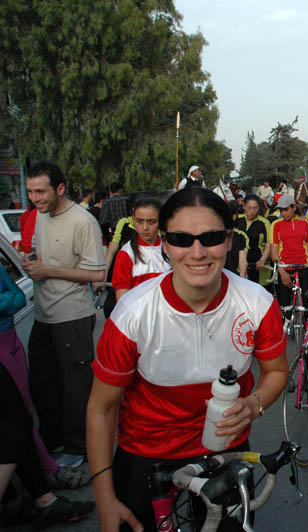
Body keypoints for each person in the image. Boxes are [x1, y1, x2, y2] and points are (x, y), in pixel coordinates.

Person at [86, 187, 288, 532]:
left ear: (229, 240)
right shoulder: (132, 312)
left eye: (211, 238)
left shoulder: (257, 302)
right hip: (147, 452)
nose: (197, 253)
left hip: (225, 448)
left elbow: (276, 371)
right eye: (181, 239)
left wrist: (254, 405)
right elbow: (101, 409)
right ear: (164, 244)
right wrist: (105, 499)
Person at [22, 162, 106, 468]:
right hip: (42, 314)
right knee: (43, 382)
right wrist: (32, 260)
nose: (34, 198)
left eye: (40, 191)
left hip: (72, 316)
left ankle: (78, 447)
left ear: (60, 188)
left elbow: (97, 273)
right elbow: (37, 249)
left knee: (75, 386)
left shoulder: (83, 222)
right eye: (30, 192)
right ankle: (51, 440)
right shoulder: (40, 215)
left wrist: (48, 270)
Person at [1, 263, 96, 527]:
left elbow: (18, 297)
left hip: (9, 338)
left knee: (19, 420)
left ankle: (39, 496)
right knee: (12, 433)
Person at [110, 197, 170, 301]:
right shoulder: (126, 253)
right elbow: (122, 299)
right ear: (133, 220)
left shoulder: (172, 249)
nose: (145, 227)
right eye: (140, 221)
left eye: (151, 222)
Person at [269, 195, 308, 309]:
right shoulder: (276, 225)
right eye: (281, 210)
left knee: (306, 306)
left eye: (286, 210)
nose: (283, 213)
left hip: (305, 266)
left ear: (294, 207)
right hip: (285, 266)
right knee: (284, 306)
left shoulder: (304, 223)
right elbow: (274, 251)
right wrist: (282, 272)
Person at [236, 194, 271, 285]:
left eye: (255, 208)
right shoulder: (237, 220)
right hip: (238, 263)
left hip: (257, 264)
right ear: (244, 206)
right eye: (249, 208)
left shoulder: (264, 222)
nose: (252, 211)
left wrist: (262, 260)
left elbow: (268, 244)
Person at [224, 201, 249, 278]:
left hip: (234, 276)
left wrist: (242, 278)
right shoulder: (214, 233)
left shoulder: (241, 236)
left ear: (234, 216)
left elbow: (242, 259)